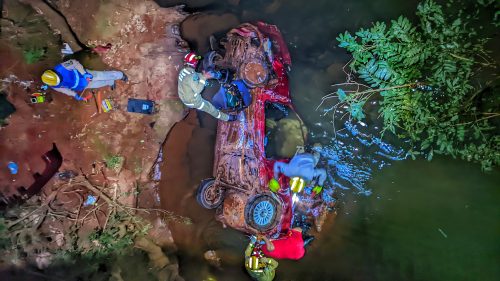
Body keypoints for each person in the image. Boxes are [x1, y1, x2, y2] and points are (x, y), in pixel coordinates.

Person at [178, 52, 238, 121]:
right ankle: (228, 118)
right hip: (192, 101)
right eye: (196, 61)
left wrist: (203, 75)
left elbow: (194, 76)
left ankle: (211, 82)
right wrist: (204, 77)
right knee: (210, 108)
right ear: (194, 63)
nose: (197, 63)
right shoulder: (191, 77)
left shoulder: (183, 71)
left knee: (204, 80)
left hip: (183, 96)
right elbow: (198, 90)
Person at [41, 59, 127, 101]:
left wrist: (84, 73)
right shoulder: (53, 85)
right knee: (98, 84)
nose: (60, 81)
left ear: (53, 72)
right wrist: (75, 95)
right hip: (82, 85)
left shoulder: (61, 67)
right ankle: (110, 81)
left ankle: (120, 75)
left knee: (102, 75)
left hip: (84, 75)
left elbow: (74, 62)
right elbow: (64, 90)